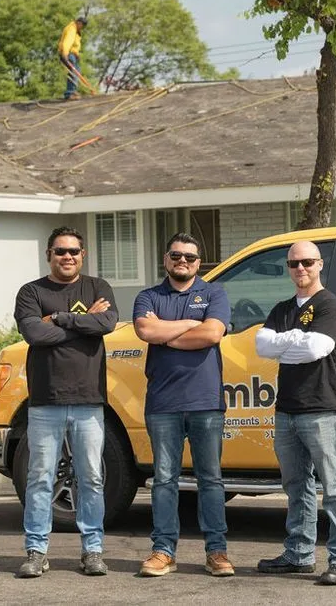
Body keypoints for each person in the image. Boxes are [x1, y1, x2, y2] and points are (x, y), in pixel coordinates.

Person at [12, 226, 118, 578]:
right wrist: (85, 322)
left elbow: (107, 322)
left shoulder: (98, 287)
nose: (67, 256)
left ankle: (93, 551)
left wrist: (59, 318)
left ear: (82, 255)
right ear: (49, 255)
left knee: (91, 478)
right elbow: (34, 333)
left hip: (89, 400)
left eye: (73, 251)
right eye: (60, 251)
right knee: (40, 478)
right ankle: (36, 551)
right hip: (46, 401)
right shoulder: (31, 291)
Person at [254, 240, 336, 586]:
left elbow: (316, 348)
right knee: (296, 486)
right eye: (293, 263)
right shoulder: (282, 308)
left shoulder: (331, 305)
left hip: (323, 408)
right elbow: (261, 346)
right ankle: (299, 555)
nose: (300, 268)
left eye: (307, 262)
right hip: (287, 409)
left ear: (320, 264)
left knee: (335, 487)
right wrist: (295, 340)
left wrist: (284, 344)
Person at [132, 233, 234, 578]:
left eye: (190, 257)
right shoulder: (149, 296)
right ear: (166, 259)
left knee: (211, 479)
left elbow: (212, 334)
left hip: (206, 401)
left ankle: (216, 551)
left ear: (198, 262)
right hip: (163, 403)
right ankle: (163, 551)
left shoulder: (214, 292)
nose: (183, 262)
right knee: (164, 479)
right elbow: (146, 331)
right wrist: (191, 324)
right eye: (176, 255)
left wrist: (167, 333)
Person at [58, 16, 86, 100]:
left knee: (76, 71)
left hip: (72, 54)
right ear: (79, 23)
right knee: (73, 71)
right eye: (82, 26)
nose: (82, 28)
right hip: (68, 54)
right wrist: (65, 54)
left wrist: (76, 53)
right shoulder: (72, 29)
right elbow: (67, 42)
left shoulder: (75, 30)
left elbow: (74, 45)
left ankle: (72, 91)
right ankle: (70, 93)